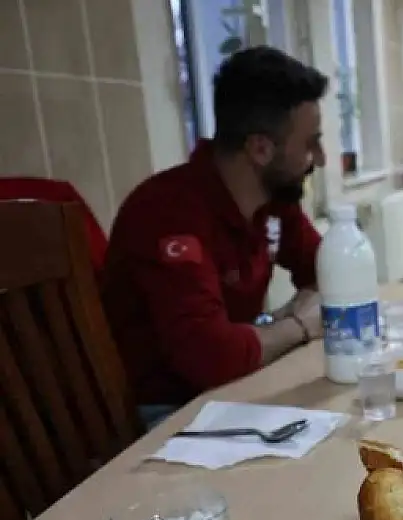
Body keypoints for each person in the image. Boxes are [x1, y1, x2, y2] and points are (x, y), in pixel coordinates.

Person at [100, 46, 329, 428]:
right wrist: (298, 326)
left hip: (231, 392)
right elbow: (210, 356)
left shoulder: (274, 200)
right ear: (260, 149)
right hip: (163, 415)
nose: (320, 159)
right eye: (310, 143)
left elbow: (331, 272)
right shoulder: (166, 212)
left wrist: (273, 326)